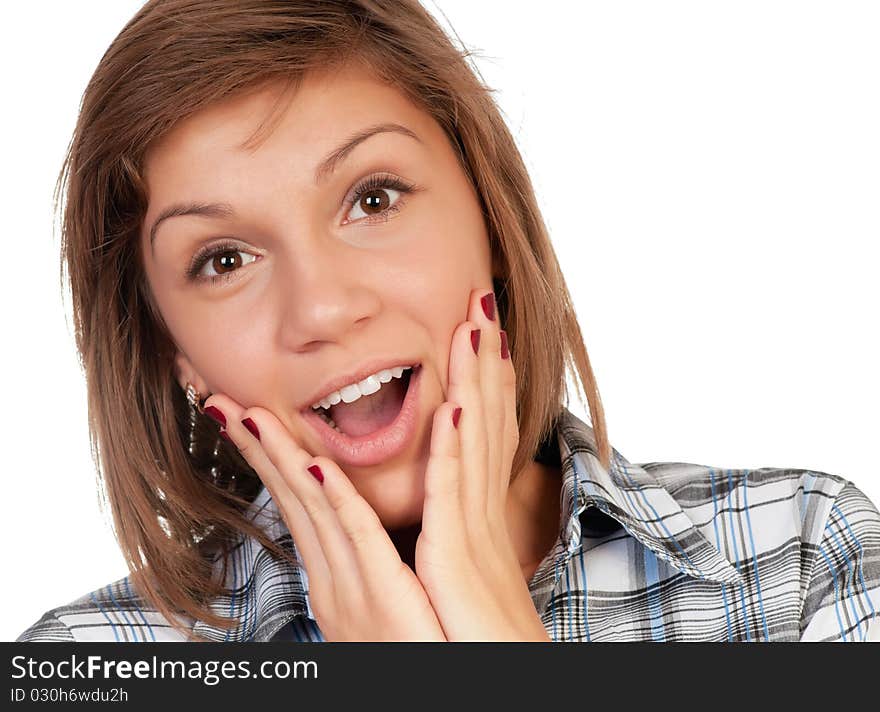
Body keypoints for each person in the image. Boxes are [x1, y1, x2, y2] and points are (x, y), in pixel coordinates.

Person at [17, 0, 880, 642]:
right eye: (225, 260)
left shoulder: (803, 556)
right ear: (176, 352)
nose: (321, 308)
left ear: (491, 223)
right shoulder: (95, 662)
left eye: (373, 198)